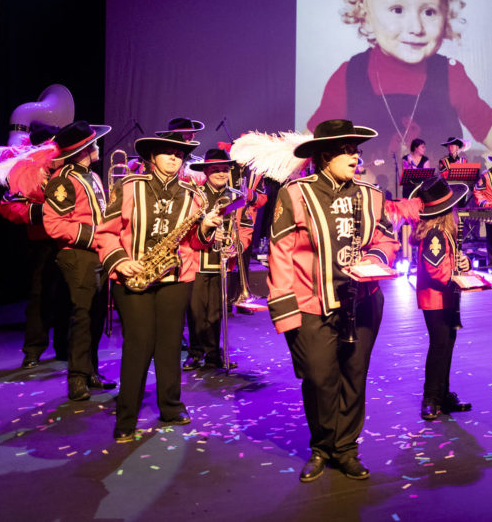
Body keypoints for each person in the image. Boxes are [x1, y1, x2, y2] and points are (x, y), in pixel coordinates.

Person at [266, 119, 399, 482]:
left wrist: (375, 259)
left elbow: (386, 240)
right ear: (326, 156)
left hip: (363, 303)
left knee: (354, 378)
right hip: (311, 304)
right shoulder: (294, 194)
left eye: (356, 150)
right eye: (347, 151)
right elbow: (280, 254)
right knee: (320, 379)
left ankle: (346, 449)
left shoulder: (370, 195)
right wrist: (285, 313)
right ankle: (322, 446)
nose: (356, 157)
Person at [306, 0, 492, 168]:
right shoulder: (349, 76)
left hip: (441, 197)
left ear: (446, 15)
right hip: (370, 195)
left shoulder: (450, 74)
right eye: (397, 10)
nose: (416, 27)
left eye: (429, 12)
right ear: (366, 15)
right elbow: (310, 140)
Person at [96, 131, 221, 442]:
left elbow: (195, 242)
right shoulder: (128, 187)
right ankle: (126, 417)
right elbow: (106, 232)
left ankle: (171, 405)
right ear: (151, 157)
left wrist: (204, 228)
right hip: (133, 275)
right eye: (167, 152)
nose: (174, 158)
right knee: (138, 345)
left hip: (174, 279)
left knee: (168, 345)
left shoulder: (193, 195)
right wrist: (120, 261)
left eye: (179, 154)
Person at [43, 120, 117, 402]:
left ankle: (91, 371)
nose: (97, 146)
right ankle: (76, 377)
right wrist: (98, 236)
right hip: (77, 254)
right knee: (83, 315)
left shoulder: (93, 176)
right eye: (93, 143)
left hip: (96, 252)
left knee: (96, 315)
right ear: (83, 149)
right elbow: (55, 225)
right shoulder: (63, 179)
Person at [0, 122, 70, 369]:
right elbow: (9, 207)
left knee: (67, 294)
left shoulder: (66, 167)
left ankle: (63, 347)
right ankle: (33, 350)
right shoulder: (26, 171)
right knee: (40, 296)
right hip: (42, 242)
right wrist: (42, 212)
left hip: (69, 238)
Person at [183, 149, 254, 371]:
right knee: (195, 311)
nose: (221, 174)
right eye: (216, 170)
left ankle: (214, 355)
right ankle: (195, 353)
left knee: (216, 311)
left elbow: (246, 228)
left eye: (224, 169)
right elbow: (186, 225)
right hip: (197, 259)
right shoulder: (194, 196)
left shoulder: (238, 197)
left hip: (223, 261)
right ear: (205, 171)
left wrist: (236, 245)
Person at [410, 176, 474, 421]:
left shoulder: (443, 232)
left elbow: (450, 260)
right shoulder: (436, 233)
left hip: (444, 298)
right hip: (436, 299)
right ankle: (431, 398)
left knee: (446, 344)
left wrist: (463, 262)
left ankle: (442, 396)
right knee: (439, 347)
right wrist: (459, 279)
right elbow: (437, 271)